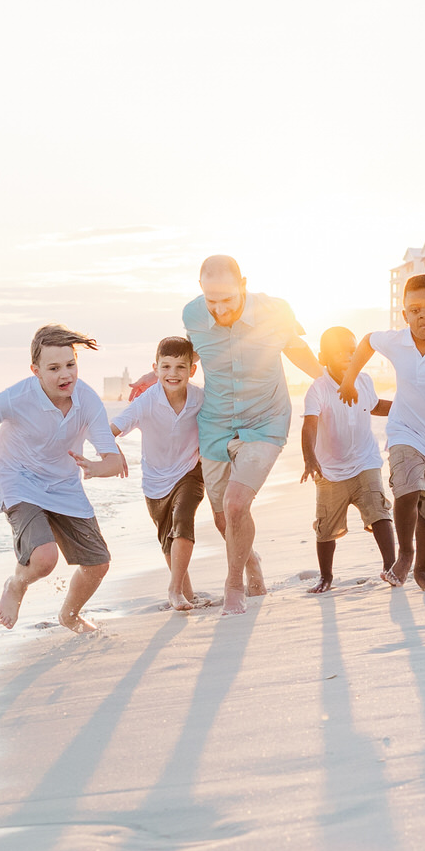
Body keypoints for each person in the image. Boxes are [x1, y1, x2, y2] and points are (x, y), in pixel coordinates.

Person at [131, 255, 322, 615]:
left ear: (243, 286)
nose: (218, 309)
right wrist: (153, 375)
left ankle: (233, 586)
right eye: (210, 300)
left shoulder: (275, 311)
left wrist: (331, 381)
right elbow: (194, 352)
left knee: (236, 504)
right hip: (216, 424)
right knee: (222, 516)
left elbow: (297, 350)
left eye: (227, 300)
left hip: (266, 420)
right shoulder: (193, 314)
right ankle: (251, 563)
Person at [0, 324, 125, 632]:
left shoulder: (88, 401)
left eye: (71, 365)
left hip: (64, 484)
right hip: (18, 480)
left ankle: (69, 614)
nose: (66, 375)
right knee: (45, 559)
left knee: (98, 564)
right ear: (36, 370)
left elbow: (112, 460)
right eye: (54, 368)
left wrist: (97, 468)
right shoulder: (16, 397)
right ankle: (17, 583)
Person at [338, 274, 425, 591]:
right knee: (407, 487)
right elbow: (368, 340)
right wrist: (349, 379)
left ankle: (422, 571)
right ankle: (405, 554)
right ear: (405, 314)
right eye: (415, 309)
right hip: (404, 431)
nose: (423, 315)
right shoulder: (397, 341)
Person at [111, 337, 206, 612]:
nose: (173, 374)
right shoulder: (145, 402)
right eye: (166, 367)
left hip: (190, 471)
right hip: (154, 483)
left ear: (192, 370)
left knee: (183, 520)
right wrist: (115, 451)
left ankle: (174, 591)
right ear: (156, 368)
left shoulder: (200, 397)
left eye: (180, 367)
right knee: (168, 539)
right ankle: (187, 592)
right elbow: (109, 431)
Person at [301, 327, 394, 592]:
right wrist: (310, 458)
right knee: (326, 527)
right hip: (330, 470)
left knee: (379, 510)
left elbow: (374, 405)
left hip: (365, 461)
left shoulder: (364, 380)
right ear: (323, 357)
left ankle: (391, 566)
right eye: (339, 352)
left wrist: (404, 407)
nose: (347, 356)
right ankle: (326, 577)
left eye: (352, 352)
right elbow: (309, 424)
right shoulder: (318, 389)